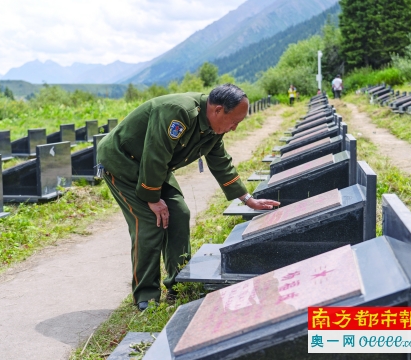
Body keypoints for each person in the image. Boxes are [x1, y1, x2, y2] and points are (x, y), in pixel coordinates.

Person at [96, 84, 280, 311]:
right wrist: (153, 199)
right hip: (122, 162)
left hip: (153, 168)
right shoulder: (179, 112)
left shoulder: (213, 128)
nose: (234, 128)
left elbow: (220, 161)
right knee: (148, 223)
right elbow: (155, 153)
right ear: (218, 110)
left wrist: (247, 199)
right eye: (235, 121)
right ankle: (146, 296)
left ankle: (179, 283)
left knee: (179, 213)